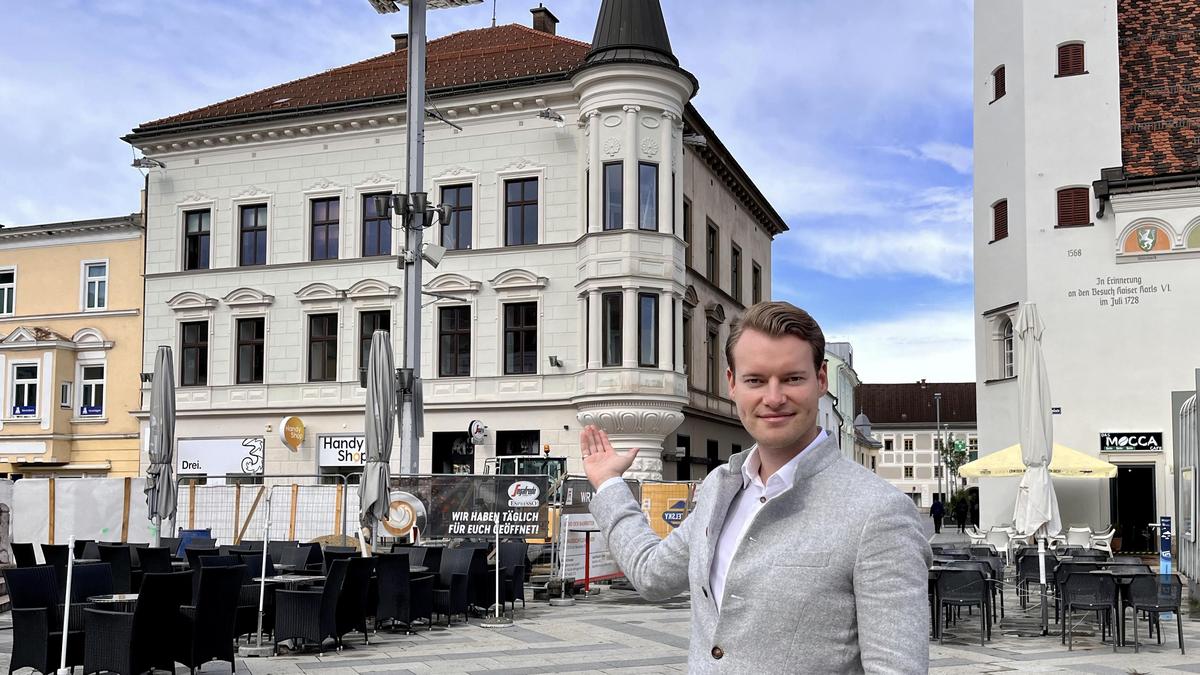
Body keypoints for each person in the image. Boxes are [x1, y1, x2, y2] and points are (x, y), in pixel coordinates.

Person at [581, 302, 931, 674]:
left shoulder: (878, 512)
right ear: (732, 384)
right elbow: (652, 575)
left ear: (821, 380)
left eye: (793, 378)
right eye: (756, 380)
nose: (774, 397)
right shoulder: (720, 487)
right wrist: (609, 485)